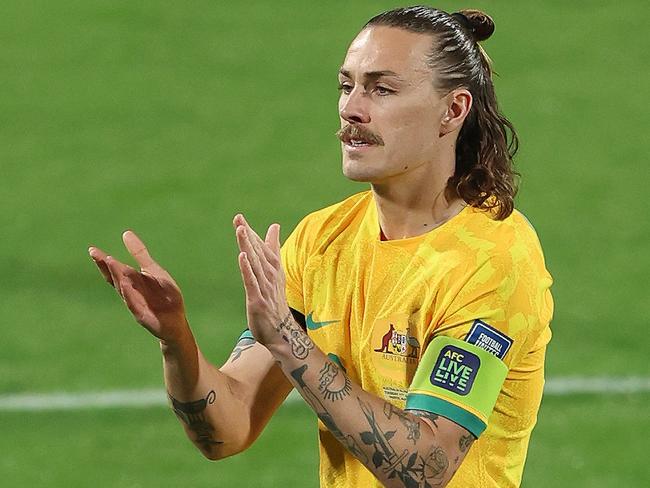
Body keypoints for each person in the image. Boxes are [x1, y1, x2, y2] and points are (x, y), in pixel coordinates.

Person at [88, 6, 553, 487]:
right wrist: (176, 338)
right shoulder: (322, 239)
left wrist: (290, 344)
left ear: (453, 110)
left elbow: (427, 468)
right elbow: (226, 430)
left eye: (382, 89)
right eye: (346, 85)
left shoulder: (492, 259)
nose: (352, 108)